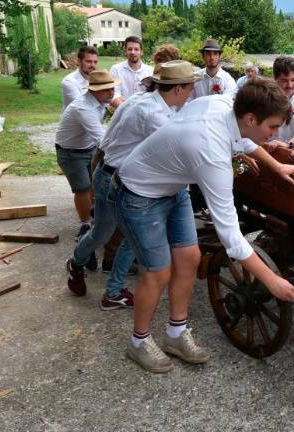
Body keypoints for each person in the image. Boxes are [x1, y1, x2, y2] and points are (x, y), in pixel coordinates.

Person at [111, 78, 294, 373]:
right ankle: (138, 342)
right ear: (251, 117)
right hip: (138, 192)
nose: (276, 133)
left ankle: (176, 333)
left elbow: (248, 140)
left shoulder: (230, 105)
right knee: (158, 271)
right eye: (273, 127)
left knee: (190, 258)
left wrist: (276, 166)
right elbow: (231, 237)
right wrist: (271, 280)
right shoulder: (211, 152)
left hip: (172, 187)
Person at [66, 61, 199, 310]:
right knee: (105, 234)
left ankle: (112, 290)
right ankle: (77, 262)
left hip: (116, 174)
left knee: (127, 237)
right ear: (178, 89)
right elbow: (179, 150)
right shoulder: (153, 114)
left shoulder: (147, 100)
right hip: (115, 178)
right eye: (190, 87)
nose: (192, 93)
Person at [54, 70, 120, 249]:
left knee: (94, 185)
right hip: (70, 152)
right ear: (93, 90)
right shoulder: (83, 108)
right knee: (82, 189)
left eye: (112, 88)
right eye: (106, 89)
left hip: (87, 148)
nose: (111, 93)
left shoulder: (99, 101)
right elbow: (103, 140)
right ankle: (85, 225)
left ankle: (93, 218)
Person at [109, 36, 153, 107]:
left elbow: (152, 95)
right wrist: (126, 110)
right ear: (125, 51)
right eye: (129, 49)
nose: (133, 52)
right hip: (122, 111)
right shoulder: (116, 69)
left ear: (141, 52)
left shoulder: (150, 71)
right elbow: (114, 94)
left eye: (136, 49)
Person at [62, 46, 99, 111]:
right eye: (89, 61)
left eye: (95, 62)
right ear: (79, 61)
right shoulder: (69, 81)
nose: (93, 65)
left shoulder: (98, 80)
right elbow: (82, 107)